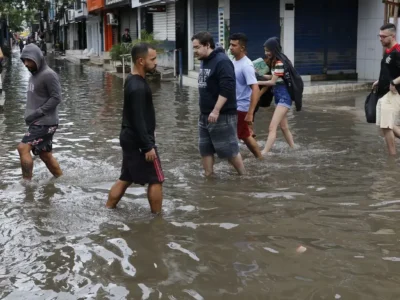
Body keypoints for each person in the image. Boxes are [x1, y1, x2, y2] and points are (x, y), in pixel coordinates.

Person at [106, 43, 164, 214]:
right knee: (156, 179)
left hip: (129, 137)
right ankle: (157, 219)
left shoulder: (131, 79)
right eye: (152, 59)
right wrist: (148, 146)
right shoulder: (137, 86)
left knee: (126, 177)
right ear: (140, 61)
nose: (156, 62)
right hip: (139, 141)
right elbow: (138, 119)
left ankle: (108, 209)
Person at [192, 31, 246, 176]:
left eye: (197, 47)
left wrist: (216, 110)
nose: (194, 51)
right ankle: (209, 176)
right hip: (204, 115)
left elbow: (227, 88)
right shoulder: (204, 60)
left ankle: (244, 176)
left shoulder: (222, 61)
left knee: (229, 150)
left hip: (222, 114)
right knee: (205, 149)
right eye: (193, 48)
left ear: (207, 45)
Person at [18, 44, 63, 180]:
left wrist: (38, 113)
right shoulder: (35, 74)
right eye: (24, 60)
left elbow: (56, 98)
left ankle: (27, 185)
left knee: (23, 148)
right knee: (45, 155)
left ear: (37, 58)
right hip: (38, 122)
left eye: (29, 60)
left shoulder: (48, 75)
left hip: (45, 122)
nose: (26, 64)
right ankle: (61, 179)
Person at [255, 37, 300, 155]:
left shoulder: (279, 63)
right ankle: (294, 148)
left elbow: (272, 82)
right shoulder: (277, 62)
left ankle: (264, 152)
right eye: (265, 50)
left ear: (275, 50)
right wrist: (258, 75)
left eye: (268, 50)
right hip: (280, 97)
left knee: (272, 127)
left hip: (284, 98)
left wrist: (256, 82)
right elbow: (273, 77)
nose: (266, 53)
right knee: (284, 127)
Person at [229, 33, 262, 159]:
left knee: (245, 136)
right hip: (233, 105)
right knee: (243, 135)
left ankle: (260, 158)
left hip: (242, 107)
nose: (231, 47)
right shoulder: (233, 61)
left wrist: (250, 113)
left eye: (234, 45)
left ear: (242, 47)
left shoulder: (246, 65)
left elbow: (255, 88)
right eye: (230, 44)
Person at [373, 23, 400, 156]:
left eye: (383, 36)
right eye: (379, 36)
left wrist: (394, 82)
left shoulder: (398, 51)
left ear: (392, 36)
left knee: (386, 126)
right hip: (384, 93)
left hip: (393, 94)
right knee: (385, 125)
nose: (380, 39)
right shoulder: (388, 51)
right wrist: (380, 81)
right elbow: (389, 70)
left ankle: (392, 159)